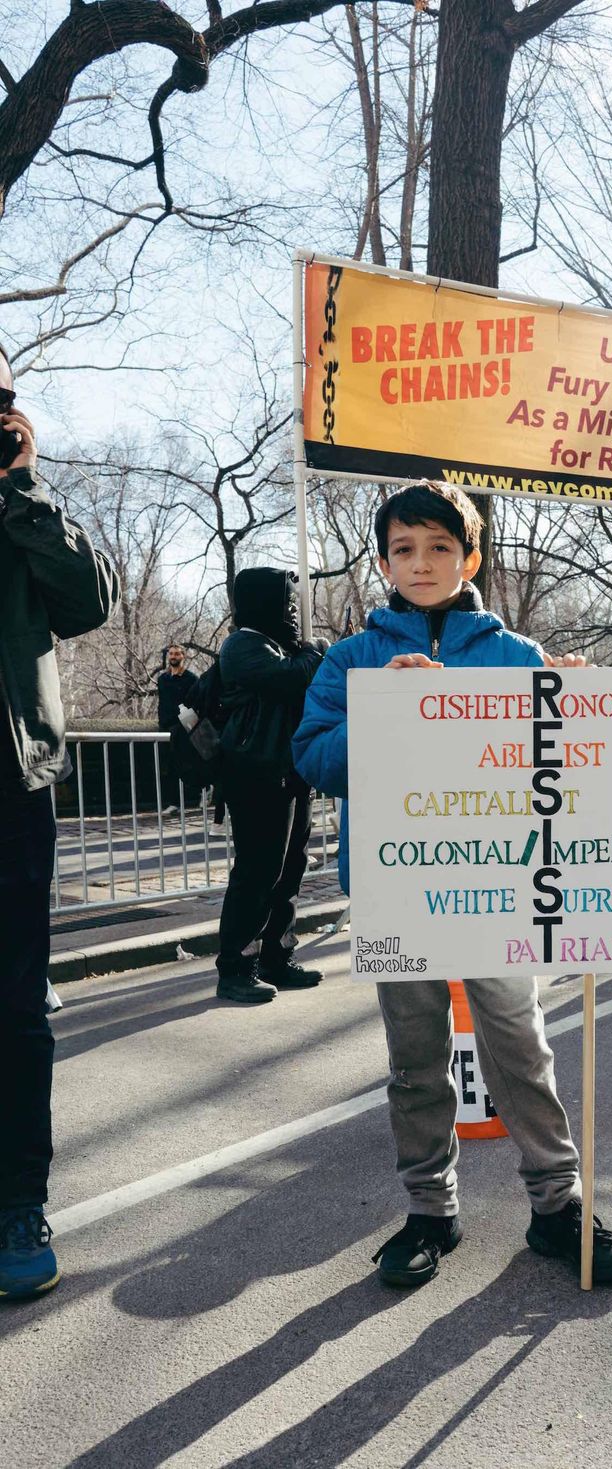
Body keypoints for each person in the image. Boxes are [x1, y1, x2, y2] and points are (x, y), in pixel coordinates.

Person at [292, 481, 612, 1288]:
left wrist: (583, 704)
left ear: (470, 557)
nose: (422, 563)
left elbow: (578, 766)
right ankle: (429, 1210)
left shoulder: (515, 654)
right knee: (415, 1057)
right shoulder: (351, 657)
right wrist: (385, 712)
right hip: (396, 886)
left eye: (440, 547)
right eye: (404, 549)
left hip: (501, 883)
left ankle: (558, 1204)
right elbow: (312, 757)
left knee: (520, 1044)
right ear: (382, 560)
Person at [0, 343, 119, 1298]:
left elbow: (88, 604)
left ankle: (15, 1203)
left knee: (13, 1006)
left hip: (11, 787)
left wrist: (26, 491)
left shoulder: (18, 508)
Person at [214, 569, 325, 1004]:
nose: (293, 610)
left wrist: (310, 652)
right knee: (258, 872)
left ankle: (277, 956)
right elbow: (288, 678)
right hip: (254, 775)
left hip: (290, 773)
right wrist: (317, 650)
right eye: (287, 600)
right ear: (264, 601)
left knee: (290, 869)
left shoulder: (282, 645)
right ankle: (236, 967)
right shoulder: (243, 643)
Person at [157, 644, 198, 811]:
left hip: (183, 725)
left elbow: (195, 702)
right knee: (168, 765)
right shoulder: (162, 679)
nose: (173, 656)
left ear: (183, 657)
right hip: (165, 725)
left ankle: (199, 793)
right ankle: (174, 803)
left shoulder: (191, 679)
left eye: (177, 654)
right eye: (171, 654)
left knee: (186, 762)